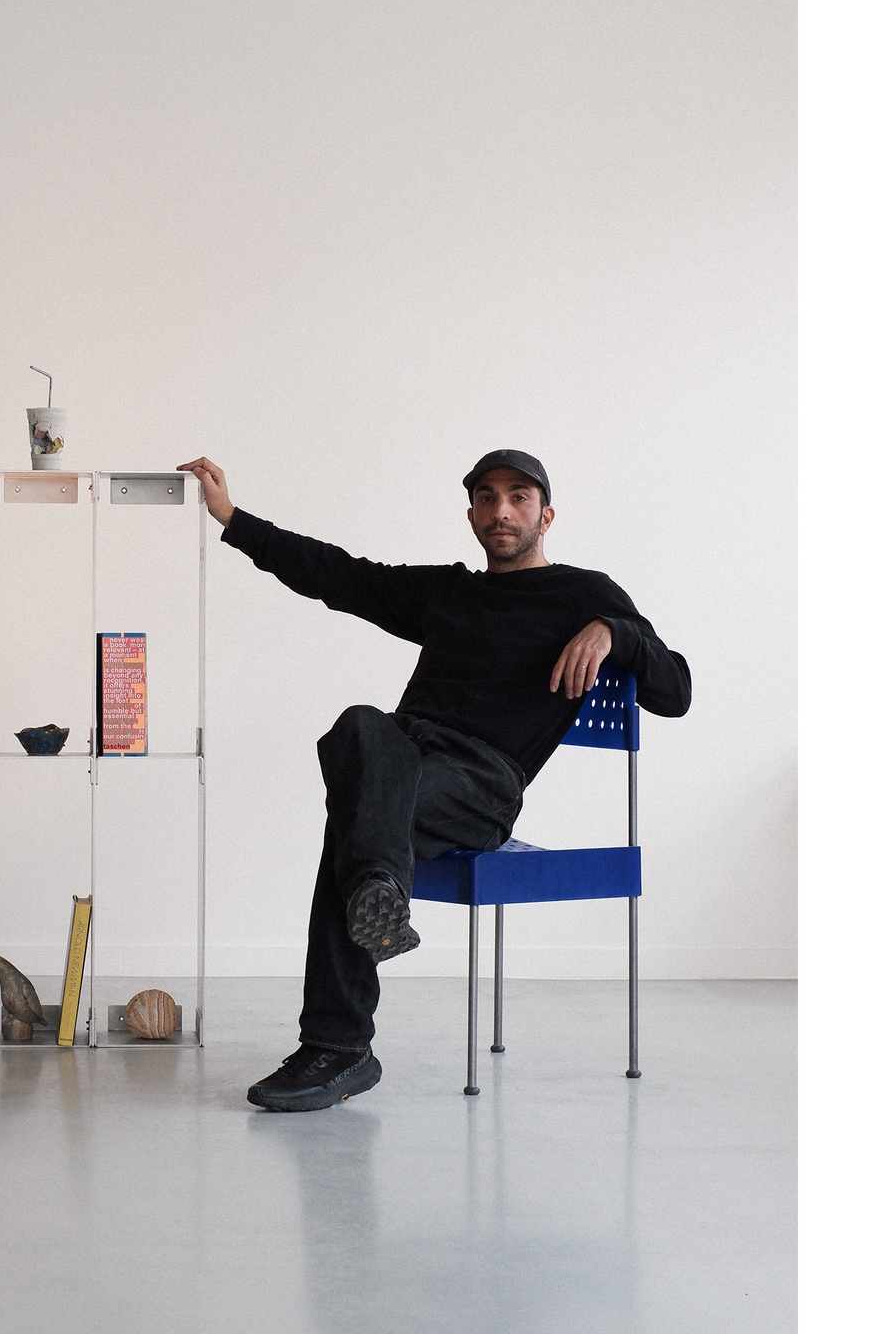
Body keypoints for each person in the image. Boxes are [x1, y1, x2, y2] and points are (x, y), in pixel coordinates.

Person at [174, 451, 692, 1113]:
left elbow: (675, 691)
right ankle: (377, 900)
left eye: (519, 497)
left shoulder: (584, 595)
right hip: (402, 761)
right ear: (471, 514)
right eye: (487, 497)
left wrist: (616, 632)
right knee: (361, 725)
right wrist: (231, 516)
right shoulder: (447, 593)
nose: (501, 511)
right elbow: (336, 574)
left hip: (481, 784)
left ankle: (338, 1044)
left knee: (356, 823)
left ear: (546, 516)